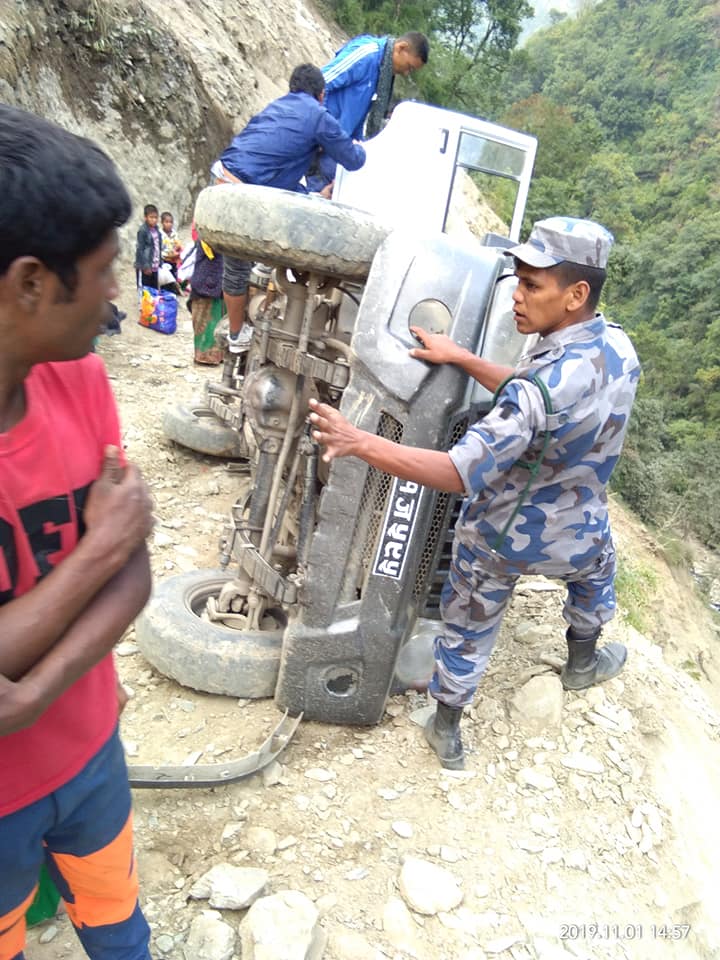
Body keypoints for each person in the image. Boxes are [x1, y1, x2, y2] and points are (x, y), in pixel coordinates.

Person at [308, 217, 641, 770]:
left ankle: (446, 729)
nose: (518, 295)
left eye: (534, 285)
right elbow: (538, 393)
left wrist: (358, 441)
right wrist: (462, 357)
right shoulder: (619, 349)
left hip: (504, 537)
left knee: (468, 624)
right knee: (596, 575)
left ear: (575, 294)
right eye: (519, 280)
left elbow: (459, 472)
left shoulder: (534, 391)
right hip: (579, 527)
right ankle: (583, 662)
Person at [0, 104, 155, 959]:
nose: (115, 298)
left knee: (119, 927)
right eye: (100, 273)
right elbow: (113, 553)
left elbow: (137, 575)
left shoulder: (80, 382)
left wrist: (39, 688)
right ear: (31, 283)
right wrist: (93, 551)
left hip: (90, 751)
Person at [211, 62, 366, 353]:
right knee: (271, 251)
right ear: (321, 95)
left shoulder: (276, 107)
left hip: (221, 181)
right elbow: (355, 159)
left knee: (235, 267)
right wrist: (357, 144)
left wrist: (315, 195)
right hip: (246, 193)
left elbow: (276, 172)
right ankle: (258, 316)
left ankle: (236, 334)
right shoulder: (318, 115)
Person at [309, 31, 429, 191]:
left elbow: (358, 114)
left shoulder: (382, 74)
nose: (406, 73)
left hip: (337, 148)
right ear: (401, 48)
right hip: (320, 143)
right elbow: (320, 83)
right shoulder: (367, 54)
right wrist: (321, 132)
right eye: (409, 67)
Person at [134, 202, 161, 290]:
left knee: (154, 290)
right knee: (145, 290)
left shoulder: (157, 230)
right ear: (146, 218)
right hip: (146, 266)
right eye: (151, 217)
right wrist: (145, 266)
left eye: (156, 217)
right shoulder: (143, 231)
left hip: (155, 265)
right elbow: (140, 249)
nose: (154, 220)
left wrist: (160, 262)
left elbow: (157, 247)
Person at [159, 211, 182, 279]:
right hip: (164, 261)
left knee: (174, 279)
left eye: (171, 222)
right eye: (167, 222)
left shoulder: (174, 234)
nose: (169, 224)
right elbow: (158, 250)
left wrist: (178, 251)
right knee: (165, 280)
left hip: (174, 261)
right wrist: (168, 255)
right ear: (162, 223)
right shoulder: (160, 235)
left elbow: (177, 244)